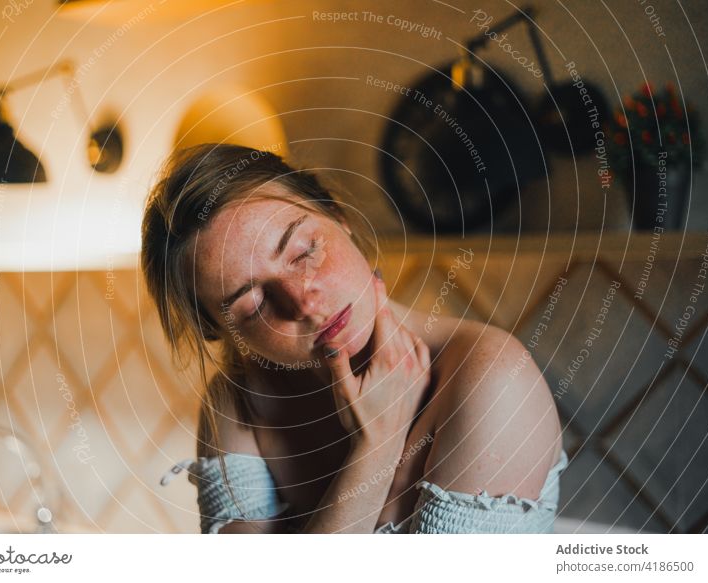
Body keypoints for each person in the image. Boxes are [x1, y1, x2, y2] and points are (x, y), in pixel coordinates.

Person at [142, 143, 566, 534]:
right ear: (219, 331)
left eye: (305, 251)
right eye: (253, 303)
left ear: (339, 217)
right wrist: (377, 446)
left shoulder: (491, 379)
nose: (302, 302)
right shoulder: (239, 403)